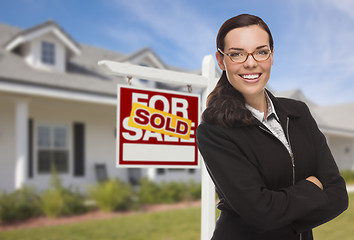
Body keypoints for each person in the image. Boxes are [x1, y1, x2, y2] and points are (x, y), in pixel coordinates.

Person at [196, 14, 348, 240]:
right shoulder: (214, 130)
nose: (250, 62)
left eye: (261, 51)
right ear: (221, 61)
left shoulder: (299, 113)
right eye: (237, 54)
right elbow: (261, 213)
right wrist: (313, 187)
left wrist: (277, 214)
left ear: (272, 55)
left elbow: (338, 196)